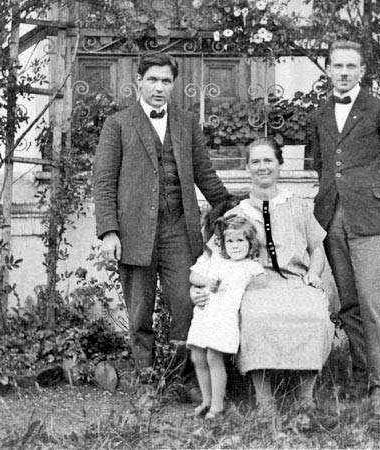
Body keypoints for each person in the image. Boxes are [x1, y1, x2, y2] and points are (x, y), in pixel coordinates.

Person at [93, 52, 232, 398]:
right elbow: (104, 180)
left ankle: (185, 380)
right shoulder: (118, 124)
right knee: (140, 313)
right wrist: (109, 231)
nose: (159, 87)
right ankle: (146, 381)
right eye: (152, 79)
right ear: (139, 81)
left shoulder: (186, 123)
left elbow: (205, 174)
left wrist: (232, 210)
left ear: (174, 85)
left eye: (166, 81)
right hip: (135, 233)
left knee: (187, 306)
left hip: (178, 230)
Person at [191, 138, 335, 413]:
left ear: (280, 164)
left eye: (268, 160)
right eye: (255, 161)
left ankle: (305, 395)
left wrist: (314, 275)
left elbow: (317, 248)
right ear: (247, 167)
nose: (262, 167)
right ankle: (265, 399)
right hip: (252, 285)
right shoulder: (236, 214)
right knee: (256, 318)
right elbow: (211, 260)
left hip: (296, 282)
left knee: (315, 314)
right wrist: (198, 289)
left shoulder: (298, 206)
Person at [309, 40, 380, 409]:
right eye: (337, 66)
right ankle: (361, 374)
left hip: (371, 218)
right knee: (349, 303)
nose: (343, 72)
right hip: (332, 217)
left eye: (350, 67)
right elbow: (320, 162)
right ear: (327, 69)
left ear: (362, 71)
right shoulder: (321, 113)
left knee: (373, 302)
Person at [186, 214, 266, 419]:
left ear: (250, 242)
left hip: (225, 317)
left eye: (240, 240)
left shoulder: (251, 266)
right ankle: (205, 400)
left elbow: (261, 288)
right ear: (223, 243)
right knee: (198, 356)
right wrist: (206, 282)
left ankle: (217, 405)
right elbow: (193, 275)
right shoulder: (215, 260)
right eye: (230, 241)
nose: (235, 246)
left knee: (213, 357)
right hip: (205, 314)